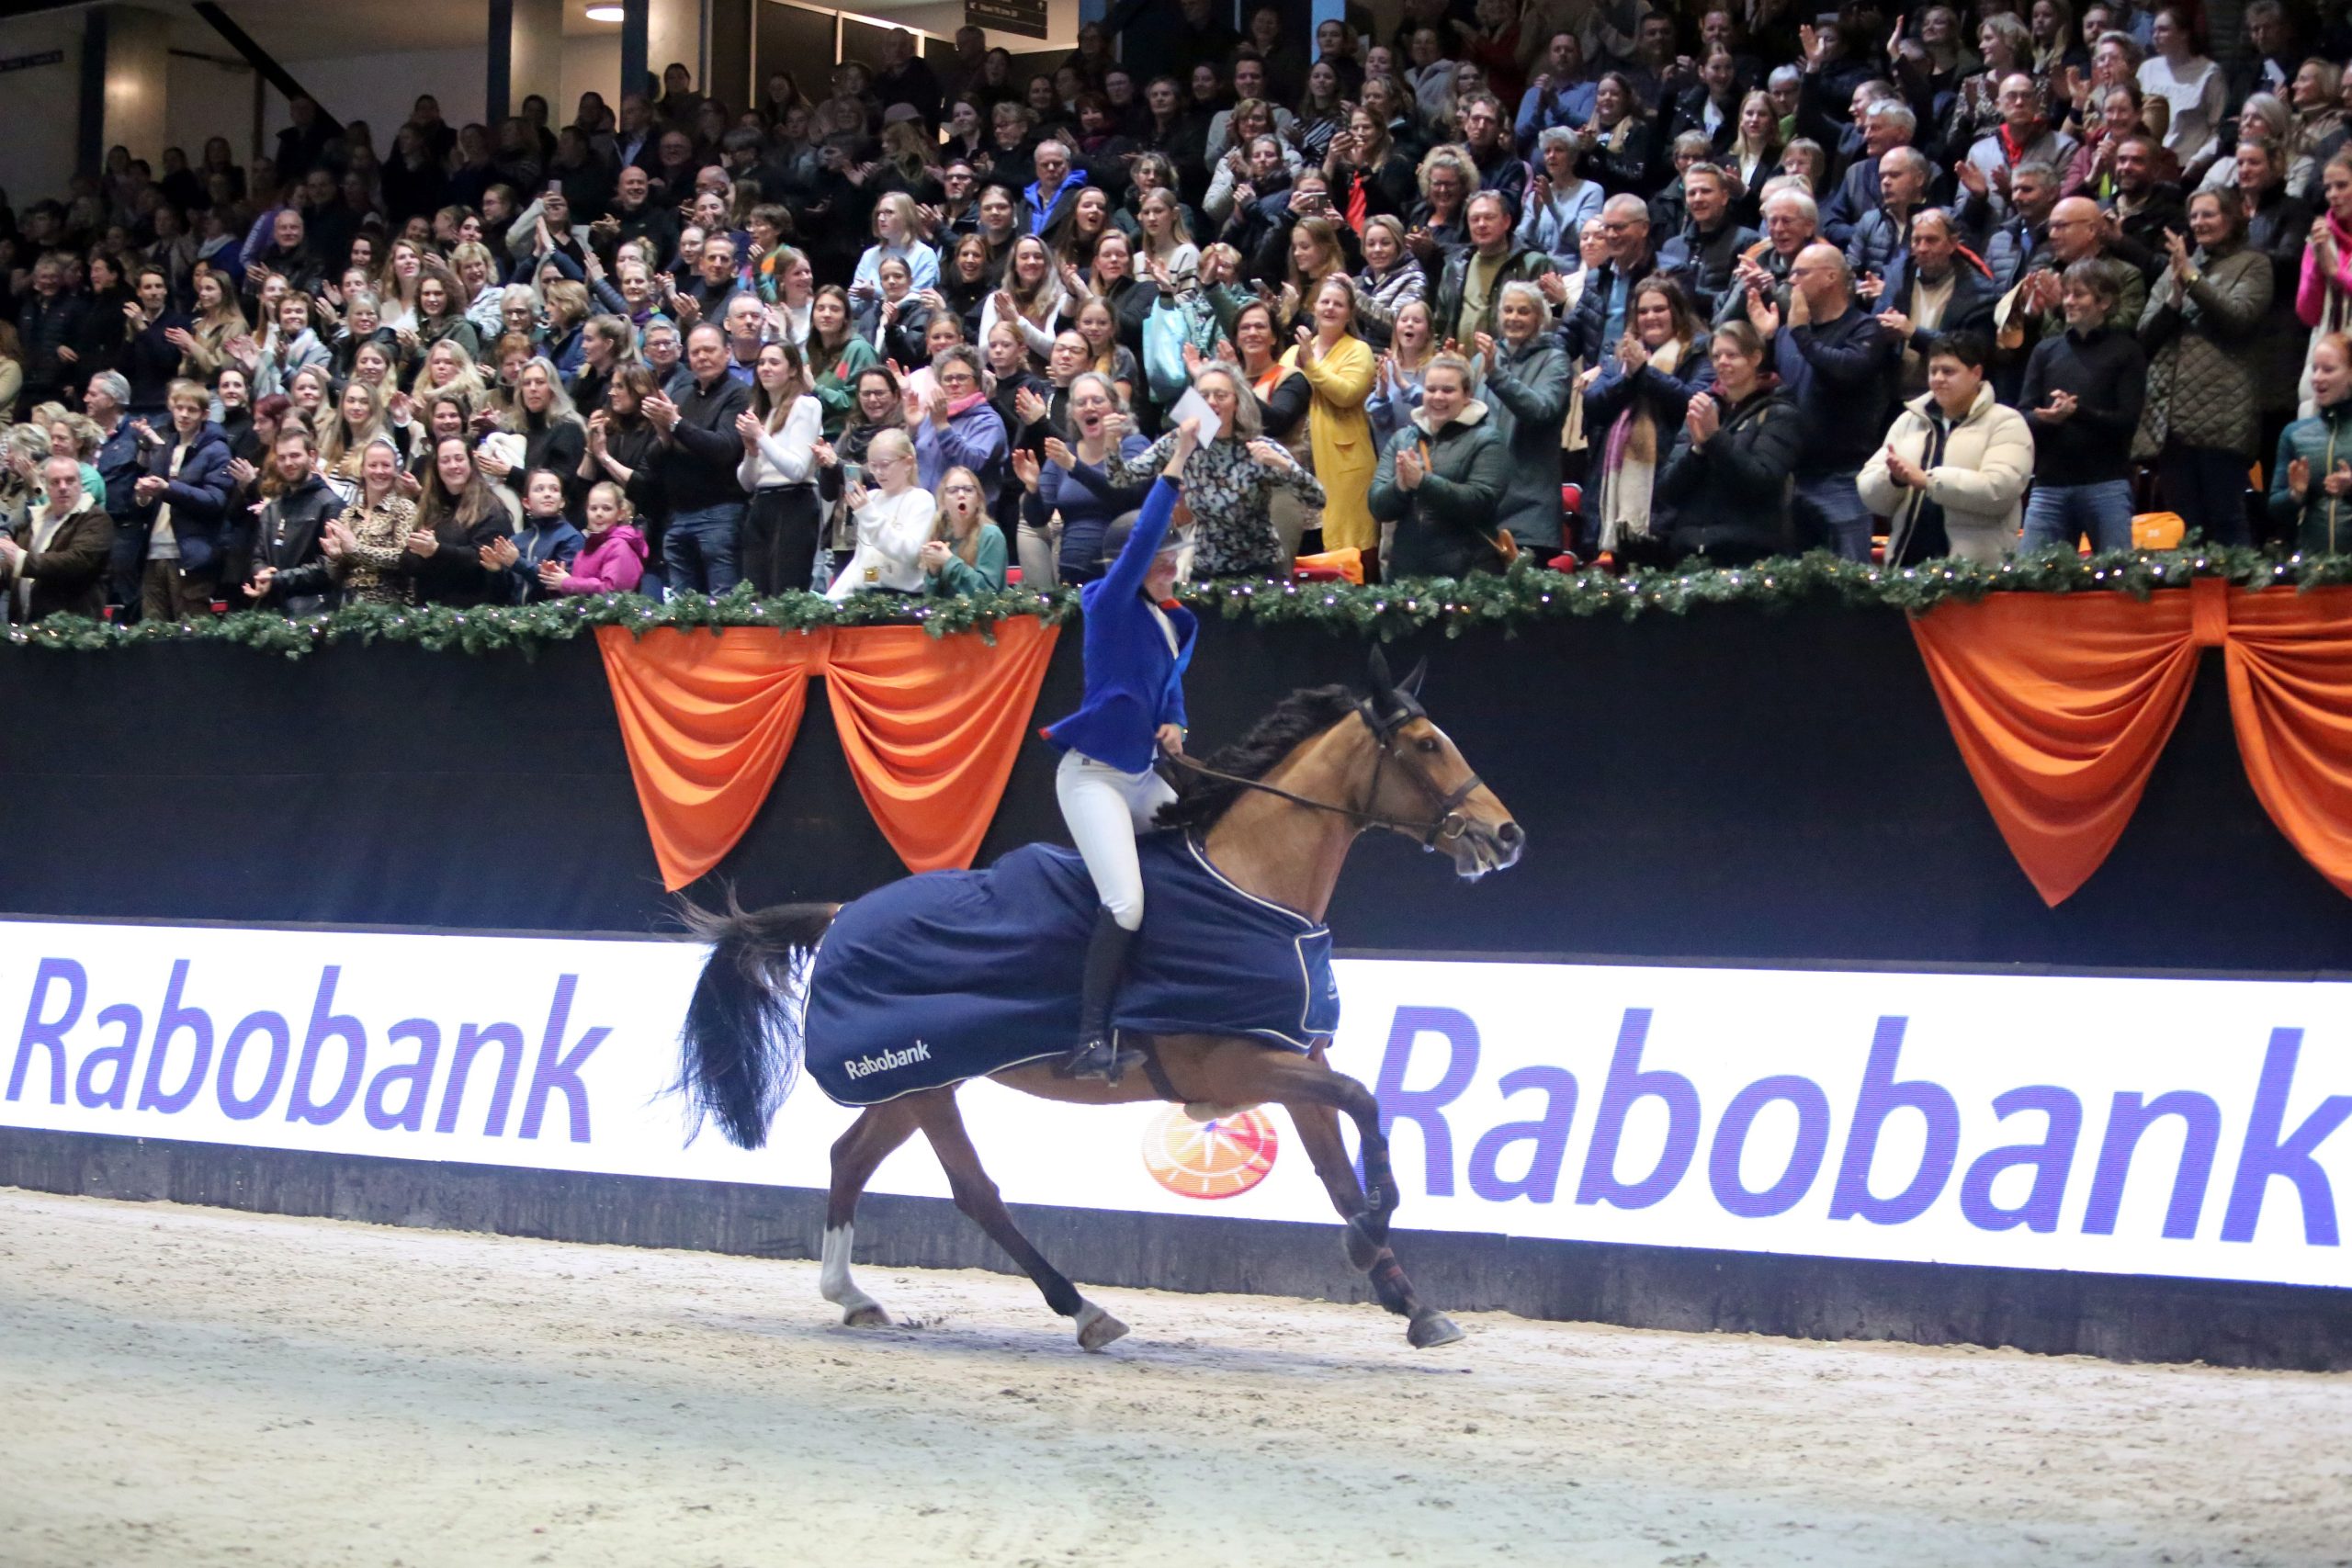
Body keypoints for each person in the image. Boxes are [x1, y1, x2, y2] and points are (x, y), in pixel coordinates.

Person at [1037, 418, 1201, 1081]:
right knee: (1126, 903)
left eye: (1173, 558)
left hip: (1138, 776)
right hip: (1093, 779)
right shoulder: (1107, 600)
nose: (1171, 566)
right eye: (1163, 558)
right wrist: (1182, 453)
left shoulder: (1172, 620)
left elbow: (1168, 691)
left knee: (1196, 848)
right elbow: (1141, 536)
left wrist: (1177, 725)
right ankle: (1087, 1039)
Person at [1749, 243, 1899, 559]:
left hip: (1843, 476)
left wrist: (1801, 332)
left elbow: (1844, 372)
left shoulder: (1864, 328)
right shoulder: (1789, 333)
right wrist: (1767, 339)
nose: (1791, 281)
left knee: (1849, 581)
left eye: (1800, 273)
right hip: (1795, 475)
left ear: (1831, 277)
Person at [2139, 187, 2272, 544]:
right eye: (2194, 215)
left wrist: (2193, 279)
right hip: (2169, 420)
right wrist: (2174, 295)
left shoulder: (2253, 264)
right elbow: (2145, 336)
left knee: (2227, 521)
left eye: (2209, 214)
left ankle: (2234, 596)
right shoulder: (2175, 269)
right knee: (2185, 527)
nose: (2199, 222)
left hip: (2221, 413)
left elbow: (2239, 318)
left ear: (2232, 217)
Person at [1105, 362, 1321, 580]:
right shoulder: (1182, 440)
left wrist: (1285, 466)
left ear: (1237, 401)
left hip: (1260, 572)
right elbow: (1120, 479)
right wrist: (1111, 445)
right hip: (1206, 572)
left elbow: (1318, 499)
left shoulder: (1258, 446)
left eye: (1220, 395)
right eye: (1204, 395)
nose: (1211, 402)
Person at [1860, 331, 2035, 565]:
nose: (1938, 378)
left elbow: (1999, 491)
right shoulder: (1908, 421)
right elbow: (1871, 496)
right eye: (1933, 371)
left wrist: (1928, 481)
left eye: (1949, 371)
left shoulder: (2006, 422)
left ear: (1976, 373)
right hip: (1907, 565)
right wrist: (1894, 480)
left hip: (1975, 575)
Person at [2018, 258, 2148, 553]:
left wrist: (2078, 413)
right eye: (2066, 294)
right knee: (2029, 578)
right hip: (2049, 484)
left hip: (2106, 484)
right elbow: (2024, 414)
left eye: (2079, 294)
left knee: (2118, 578)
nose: (2068, 302)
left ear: (2104, 302)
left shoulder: (2126, 352)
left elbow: (2128, 421)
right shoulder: (2045, 350)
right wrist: (2044, 418)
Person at [1581, 276, 1713, 556]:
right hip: (1610, 489)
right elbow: (1592, 403)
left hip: (1669, 485)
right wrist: (1629, 377)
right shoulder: (1621, 356)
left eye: (1659, 309)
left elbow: (1693, 401)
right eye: (1642, 311)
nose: (1650, 317)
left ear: (1676, 311)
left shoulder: (1701, 352)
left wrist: (1644, 373)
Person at [1654, 320, 1801, 563]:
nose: (1722, 363)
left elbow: (1760, 482)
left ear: (1755, 358)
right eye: (1716, 356)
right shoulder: (1703, 410)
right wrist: (1698, 450)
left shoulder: (1779, 414)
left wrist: (1715, 439)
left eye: (1732, 355)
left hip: (1748, 554)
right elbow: (1667, 490)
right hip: (1690, 553)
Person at [1368, 352, 1510, 576]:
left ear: (1467, 395)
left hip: (1468, 576)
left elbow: (1481, 501)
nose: (1437, 397)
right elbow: (1377, 506)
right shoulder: (1403, 438)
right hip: (1407, 576)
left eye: (1448, 390)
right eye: (1431, 389)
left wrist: (1423, 482)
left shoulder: (1488, 439)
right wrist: (1400, 486)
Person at [648, 321, 753, 592]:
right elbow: (654, 460)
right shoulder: (682, 394)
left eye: (709, 350)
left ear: (727, 352)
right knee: (683, 612)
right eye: (696, 352)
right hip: (679, 515)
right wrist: (664, 435)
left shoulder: (739, 394)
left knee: (724, 604)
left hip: (720, 513)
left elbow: (724, 449)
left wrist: (675, 424)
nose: (702, 357)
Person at [1281, 276, 1377, 555]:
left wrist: (1310, 364)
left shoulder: (1359, 350)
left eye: (1339, 304)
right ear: (1314, 308)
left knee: (1344, 551)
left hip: (1342, 465)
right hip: (1299, 464)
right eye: (1325, 302)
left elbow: (1346, 393)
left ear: (1349, 313)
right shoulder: (1292, 352)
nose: (1330, 308)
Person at [130, 378, 236, 621]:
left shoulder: (216, 450)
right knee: (152, 634)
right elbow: (147, 501)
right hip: (154, 551)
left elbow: (215, 501)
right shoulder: (166, 446)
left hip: (190, 556)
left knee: (192, 633)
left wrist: (168, 488)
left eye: (192, 410)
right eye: (179, 408)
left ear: (205, 414)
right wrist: (143, 496)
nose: (184, 415)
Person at [733, 339, 824, 593]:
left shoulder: (806, 405)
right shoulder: (760, 412)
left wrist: (760, 436)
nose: (765, 368)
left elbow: (796, 469)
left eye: (774, 362)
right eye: (761, 363)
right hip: (761, 504)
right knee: (756, 592)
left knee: (786, 591)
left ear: (793, 369)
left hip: (794, 504)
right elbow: (747, 482)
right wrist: (751, 453)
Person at [242, 423, 345, 615]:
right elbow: (258, 556)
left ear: (312, 456)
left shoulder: (330, 504)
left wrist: (277, 579)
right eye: (282, 458)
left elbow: (328, 567)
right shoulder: (272, 508)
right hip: (272, 611)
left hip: (315, 610)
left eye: (295, 455)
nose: (288, 463)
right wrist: (262, 574)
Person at [403, 433, 514, 606]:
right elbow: (409, 561)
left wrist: (436, 552)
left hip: (474, 614)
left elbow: (480, 559)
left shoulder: (491, 508)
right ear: (436, 468)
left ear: (470, 463)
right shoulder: (429, 507)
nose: (453, 465)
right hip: (429, 612)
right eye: (445, 460)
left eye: (459, 459)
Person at [1, 456, 111, 622]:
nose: (63, 487)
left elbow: (76, 561)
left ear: (80, 484)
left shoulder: (96, 519)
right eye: (55, 482)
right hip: (26, 626)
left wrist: (20, 559)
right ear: (46, 487)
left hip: (74, 631)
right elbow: (16, 569)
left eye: (70, 480)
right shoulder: (37, 518)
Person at [2268, 332, 2352, 551]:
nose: (2316, 378)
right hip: (2312, 572)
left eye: (2328, 369)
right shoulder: (2294, 434)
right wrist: (2295, 494)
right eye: (2315, 369)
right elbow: (2275, 509)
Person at [826, 427, 933, 599]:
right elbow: (861, 560)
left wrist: (867, 513)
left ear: (907, 463)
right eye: (873, 466)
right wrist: (832, 598)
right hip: (865, 593)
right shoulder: (872, 498)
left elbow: (909, 552)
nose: (879, 473)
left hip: (902, 597)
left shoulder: (921, 499)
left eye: (885, 465)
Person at [319, 436, 418, 606]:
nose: (379, 471)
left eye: (386, 465)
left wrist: (357, 549)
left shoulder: (404, 508)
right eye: (373, 465)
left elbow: (405, 559)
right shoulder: (348, 515)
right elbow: (336, 576)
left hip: (392, 612)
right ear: (362, 470)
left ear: (396, 471)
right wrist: (335, 558)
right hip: (350, 613)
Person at [538, 480, 650, 596]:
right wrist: (557, 579)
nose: (599, 514)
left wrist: (568, 583)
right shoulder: (585, 550)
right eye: (593, 508)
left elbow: (613, 593)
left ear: (620, 514)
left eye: (606, 508)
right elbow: (579, 596)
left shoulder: (620, 546)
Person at [922, 466, 1007, 596]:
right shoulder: (943, 537)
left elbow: (988, 593)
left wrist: (949, 561)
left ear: (978, 500)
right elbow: (931, 601)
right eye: (953, 491)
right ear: (942, 502)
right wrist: (933, 573)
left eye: (968, 490)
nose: (961, 495)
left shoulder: (991, 535)